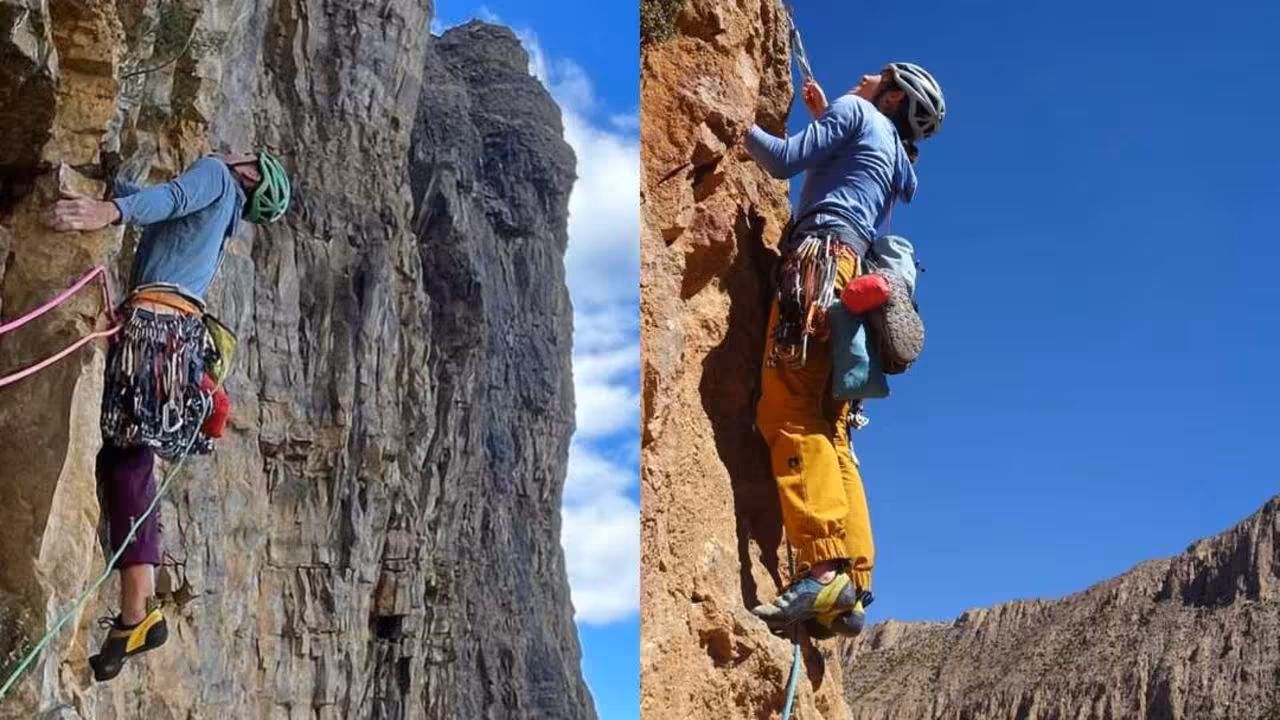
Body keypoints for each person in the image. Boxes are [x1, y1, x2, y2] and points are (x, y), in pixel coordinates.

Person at [43, 150, 290, 681]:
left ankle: (138, 610)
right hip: (177, 337)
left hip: (154, 328)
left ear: (249, 171)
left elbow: (172, 199)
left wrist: (108, 211)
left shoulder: (217, 177)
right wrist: (119, 182)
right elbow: (167, 210)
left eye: (246, 154)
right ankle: (139, 610)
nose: (235, 150)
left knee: (127, 457)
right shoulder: (224, 211)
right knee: (126, 460)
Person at [743, 62, 945, 637]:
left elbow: (782, 160)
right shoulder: (896, 159)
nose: (863, 75)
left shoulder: (856, 113)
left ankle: (823, 567)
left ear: (891, 97)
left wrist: (732, 123)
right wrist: (824, 112)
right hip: (847, 280)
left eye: (877, 75)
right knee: (832, 431)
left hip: (818, 264)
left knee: (788, 409)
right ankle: (851, 583)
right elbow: (854, 164)